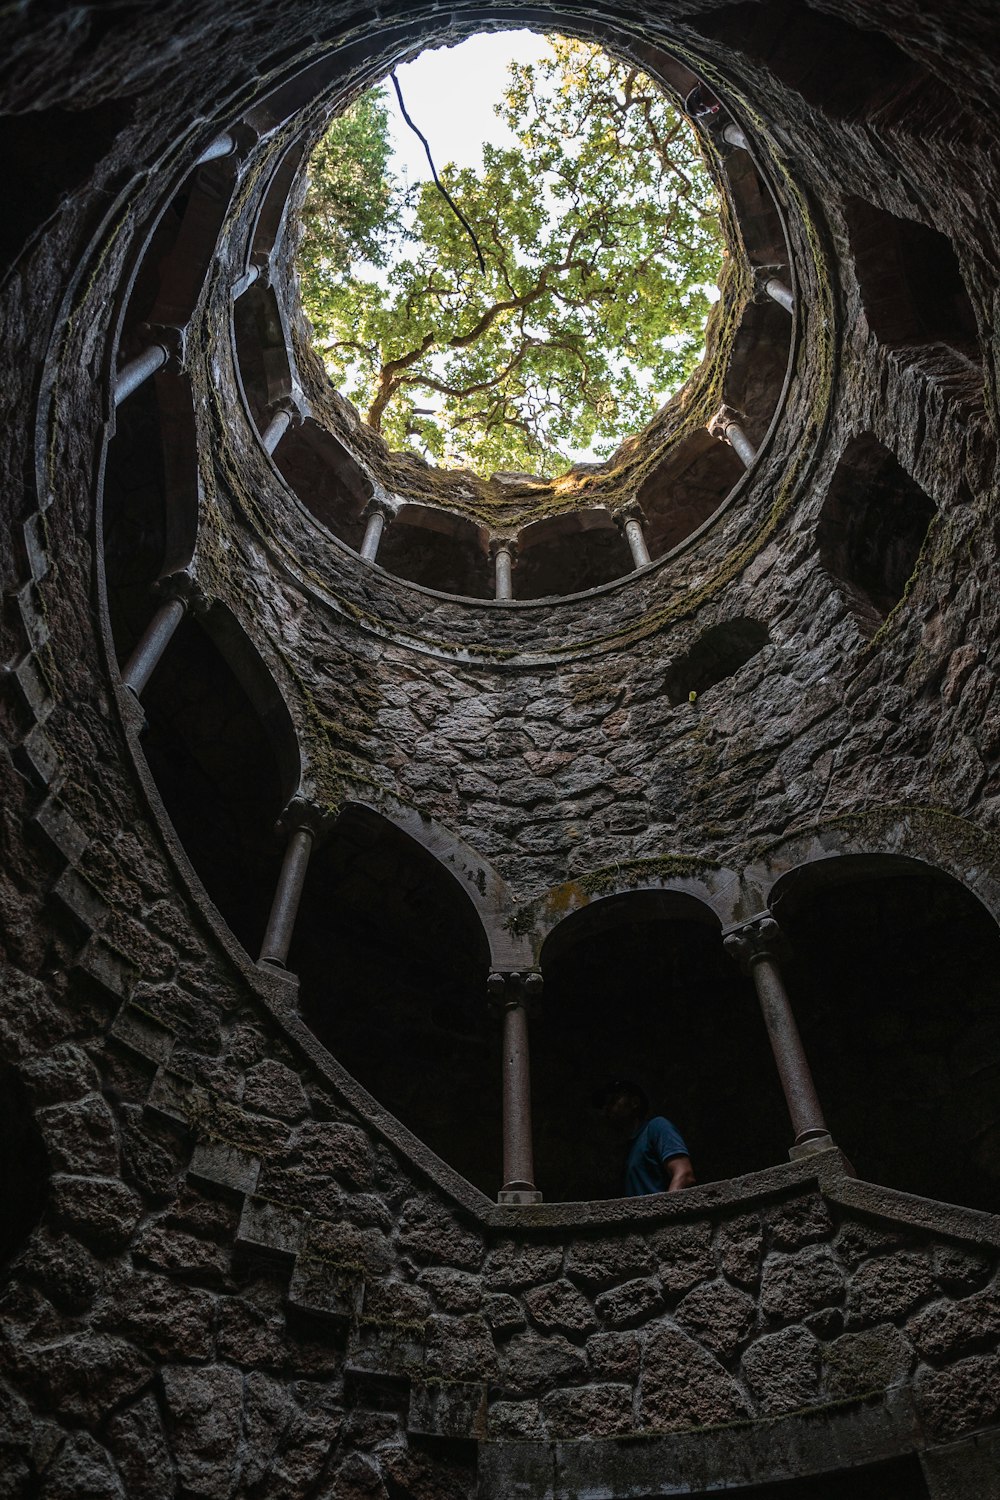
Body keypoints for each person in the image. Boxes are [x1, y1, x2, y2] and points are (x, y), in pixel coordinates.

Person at [595, 1079, 696, 1196]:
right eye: (605, 1106)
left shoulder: (656, 1127)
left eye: (613, 1101)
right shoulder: (627, 1150)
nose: (607, 1109)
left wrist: (667, 1210)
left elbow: (684, 1174)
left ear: (634, 1102)